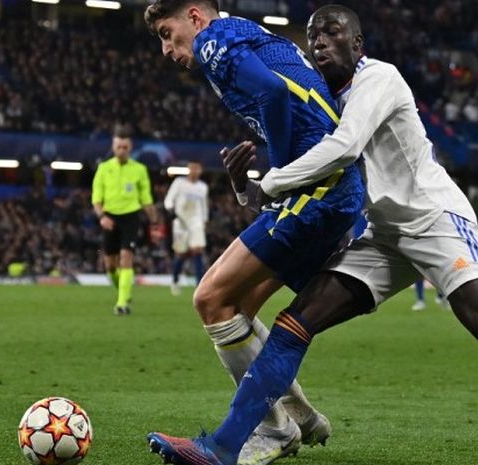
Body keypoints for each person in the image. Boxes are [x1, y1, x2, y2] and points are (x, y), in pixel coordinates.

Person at [146, 5, 478, 465]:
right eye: (314, 36)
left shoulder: (379, 79)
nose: (321, 42)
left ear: (357, 44)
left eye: (333, 33)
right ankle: (225, 448)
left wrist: (269, 183)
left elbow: (345, 148)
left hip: (436, 220)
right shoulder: (323, 91)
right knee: (293, 326)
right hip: (383, 234)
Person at [144, 1, 365, 463]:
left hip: (316, 189)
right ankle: (300, 417)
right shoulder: (247, 37)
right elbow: (288, 99)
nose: (166, 48)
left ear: (195, 16)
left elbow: (274, 95)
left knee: (210, 299)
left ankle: (272, 431)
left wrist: (281, 174)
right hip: (334, 190)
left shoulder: (214, 42)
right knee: (237, 308)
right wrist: (252, 184)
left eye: (168, 32)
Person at [91, 124, 158, 315]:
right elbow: (96, 199)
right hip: (109, 218)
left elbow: (146, 200)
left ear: (131, 147)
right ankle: (123, 289)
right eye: (118, 147)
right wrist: (102, 216)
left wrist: (154, 222)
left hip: (131, 217)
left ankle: (122, 304)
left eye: (125, 147)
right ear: (113, 147)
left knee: (126, 257)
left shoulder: (139, 170)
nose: (122, 150)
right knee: (110, 265)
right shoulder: (103, 169)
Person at [164, 161, 209, 296]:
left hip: (196, 222)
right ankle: (175, 280)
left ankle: (199, 286)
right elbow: (169, 199)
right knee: (181, 253)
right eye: (192, 168)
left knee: (198, 250)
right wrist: (170, 209)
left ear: (200, 170)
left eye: (197, 168)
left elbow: (204, 205)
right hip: (181, 221)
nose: (195, 171)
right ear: (188, 169)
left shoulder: (203, 187)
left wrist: (204, 220)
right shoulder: (179, 183)